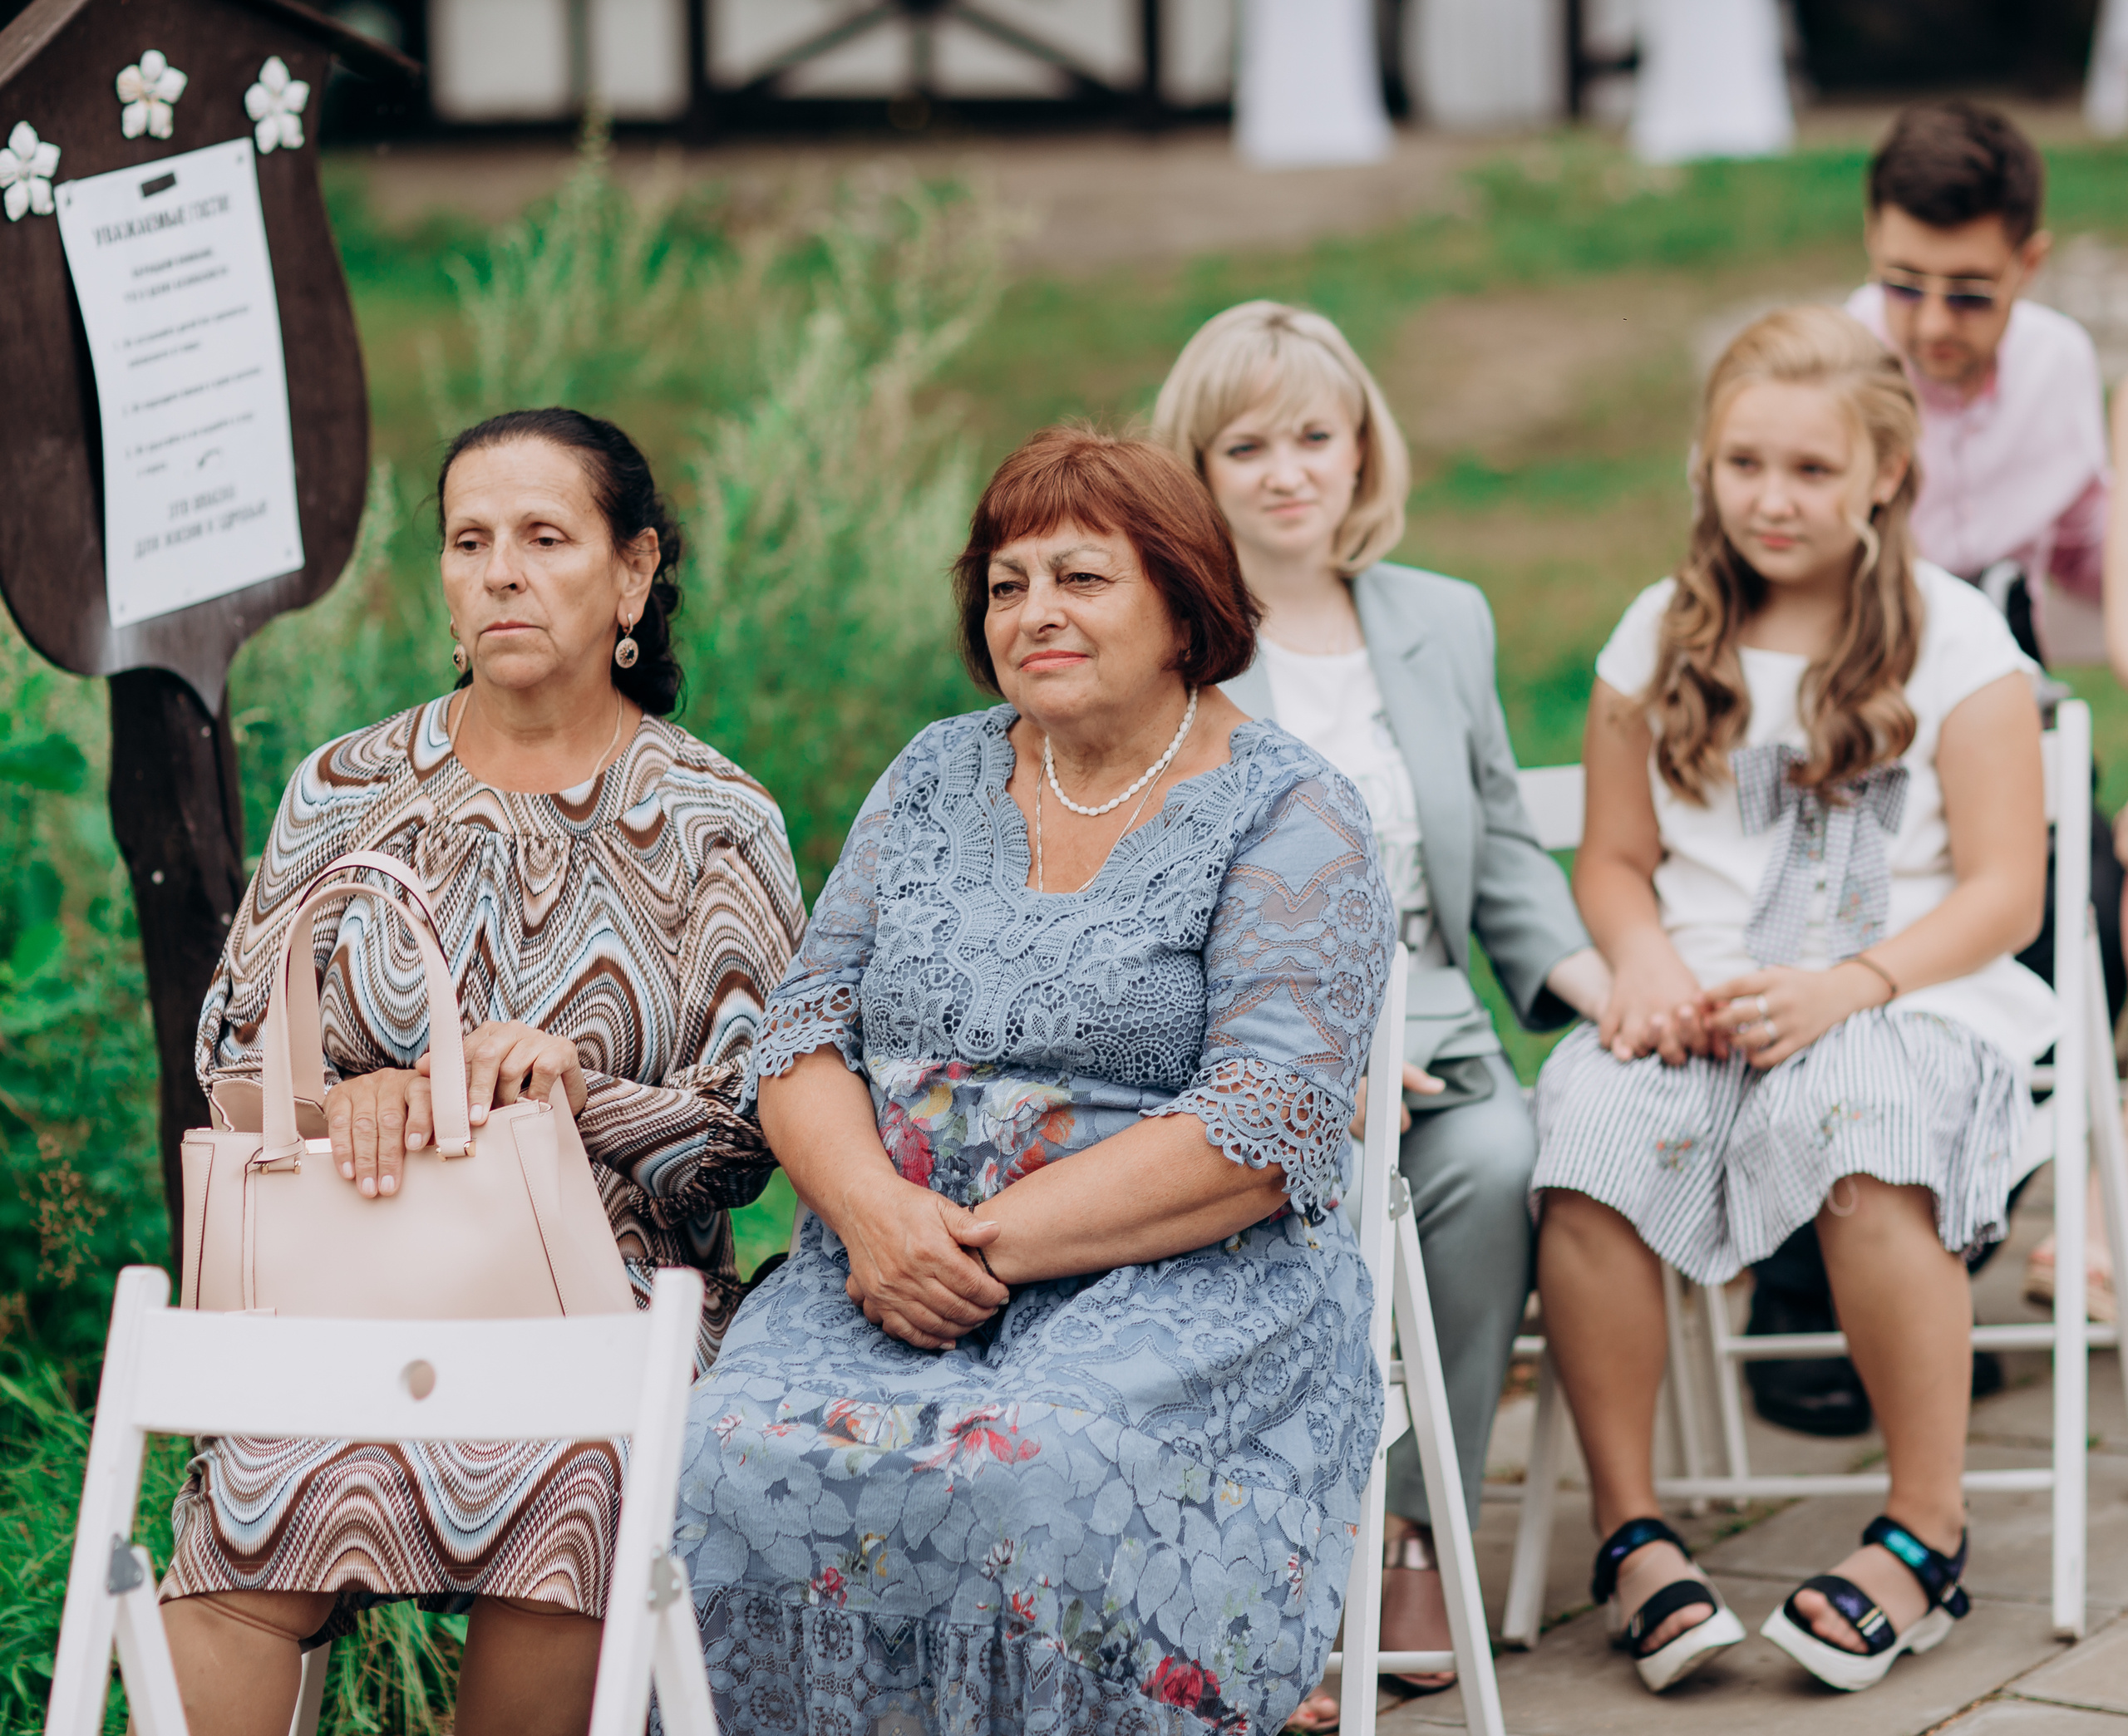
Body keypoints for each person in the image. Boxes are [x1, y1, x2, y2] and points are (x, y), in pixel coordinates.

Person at [672, 426, 1396, 1734]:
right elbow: (799, 1037)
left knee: (1030, 1466)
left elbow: (1259, 1122)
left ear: (1185, 602)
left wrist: (970, 1243)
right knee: (718, 1457)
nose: (1035, 613)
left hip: (1180, 1281)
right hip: (885, 1266)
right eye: (1007, 585)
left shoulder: (1294, 811)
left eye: (1081, 578)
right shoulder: (937, 773)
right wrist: (882, 1223)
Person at [160, 409, 805, 1736]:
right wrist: (357, 1102)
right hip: (356, 1288)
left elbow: (760, 1130)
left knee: (580, 1473)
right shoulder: (345, 788)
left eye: (544, 537)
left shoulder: (712, 818)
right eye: (469, 540)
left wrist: (581, 1094)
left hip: (607, 1308)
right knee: (253, 1480)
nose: (501, 570)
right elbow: (232, 1056)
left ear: (632, 575)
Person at [1534, 306, 2052, 1695]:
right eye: (1743, 461)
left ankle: (1925, 1526)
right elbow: (1616, 859)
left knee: (1865, 1129)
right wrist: (1640, 958)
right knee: (1585, 1129)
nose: (1772, 497)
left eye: (1812, 470)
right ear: (1704, 463)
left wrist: (1852, 985)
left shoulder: (1959, 644)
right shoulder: (1659, 634)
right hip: (1697, 999)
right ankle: (1635, 1530)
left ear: (1886, 473)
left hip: (1908, 991)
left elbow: (2009, 889)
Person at [1150, 300, 1609, 1726]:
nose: (1290, 470)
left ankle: (1414, 1529)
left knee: (1488, 1158)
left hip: (1439, 1032)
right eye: (1248, 445)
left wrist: (1593, 981)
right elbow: (1162, 892)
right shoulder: (1176, 642)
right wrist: (1314, 1058)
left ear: (1361, 448)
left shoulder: (1443, 618)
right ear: (1200, 468)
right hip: (1242, 1042)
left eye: (1316, 435)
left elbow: (1498, 834)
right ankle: (1278, 1539)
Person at [1741, 98, 2120, 1435]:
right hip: (1855, 687)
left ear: (2029, 261)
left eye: (1970, 292)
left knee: (2077, 937)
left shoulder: (2065, 366)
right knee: (1844, 952)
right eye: (1904, 282)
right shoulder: (1837, 366)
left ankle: (1939, 1262)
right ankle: (1803, 1291)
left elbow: (2078, 547)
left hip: (2000, 672)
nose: (1933, 324)